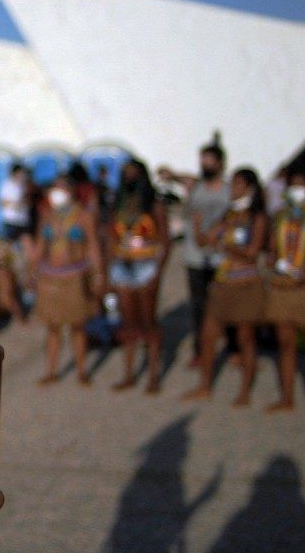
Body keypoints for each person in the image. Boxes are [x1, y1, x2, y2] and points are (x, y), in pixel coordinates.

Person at [184, 168, 267, 405]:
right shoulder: (228, 216)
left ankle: (244, 392)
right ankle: (204, 386)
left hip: (245, 283)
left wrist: (224, 246)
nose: (233, 189)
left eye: (238, 184)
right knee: (208, 335)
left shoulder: (257, 218)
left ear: (250, 188)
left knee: (245, 338)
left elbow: (252, 252)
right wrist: (198, 226)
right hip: (223, 282)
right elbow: (204, 242)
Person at [159, 139, 231, 368]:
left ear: (219, 162)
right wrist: (170, 174)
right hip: (195, 256)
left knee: (226, 303)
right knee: (199, 305)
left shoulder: (228, 190)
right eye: (203, 160)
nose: (205, 164)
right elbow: (182, 178)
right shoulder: (196, 187)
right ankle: (200, 350)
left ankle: (233, 348)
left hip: (221, 256)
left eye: (209, 160)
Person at [31, 175, 103, 386]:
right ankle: (51, 371)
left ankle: (81, 371)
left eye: (61, 188)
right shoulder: (47, 216)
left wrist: (98, 274)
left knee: (78, 326)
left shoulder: (83, 216)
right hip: (50, 277)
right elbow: (40, 245)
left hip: (75, 276)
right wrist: (32, 270)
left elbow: (92, 246)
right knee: (52, 327)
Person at [106, 160, 169, 394]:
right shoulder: (118, 204)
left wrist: (158, 271)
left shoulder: (154, 205)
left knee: (148, 323)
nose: (129, 177)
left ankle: (153, 376)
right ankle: (129, 374)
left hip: (146, 265)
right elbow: (110, 236)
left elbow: (165, 240)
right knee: (128, 324)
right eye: (125, 173)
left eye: (133, 173)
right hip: (123, 264)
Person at [263, 168, 305, 417]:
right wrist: (275, 262)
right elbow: (271, 250)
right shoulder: (280, 217)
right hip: (283, 285)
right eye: (293, 185)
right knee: (285, 344)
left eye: (302, 185)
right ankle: (287, 397)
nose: (298, 191)